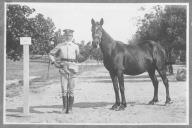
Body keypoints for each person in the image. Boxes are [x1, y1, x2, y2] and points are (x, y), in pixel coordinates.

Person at [49, 29, 79, 113]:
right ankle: (64, 108)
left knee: (72, 90)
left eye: (70, 36)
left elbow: (78, 57)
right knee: (64, 89)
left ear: (72, 37)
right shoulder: (60, 45)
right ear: (64, 36)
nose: (68, 37)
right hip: (63, 68)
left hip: (73, 68)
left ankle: (70, 109)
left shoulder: (76, 46)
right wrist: (54, 62)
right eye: (66, 35)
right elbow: (51, 54)